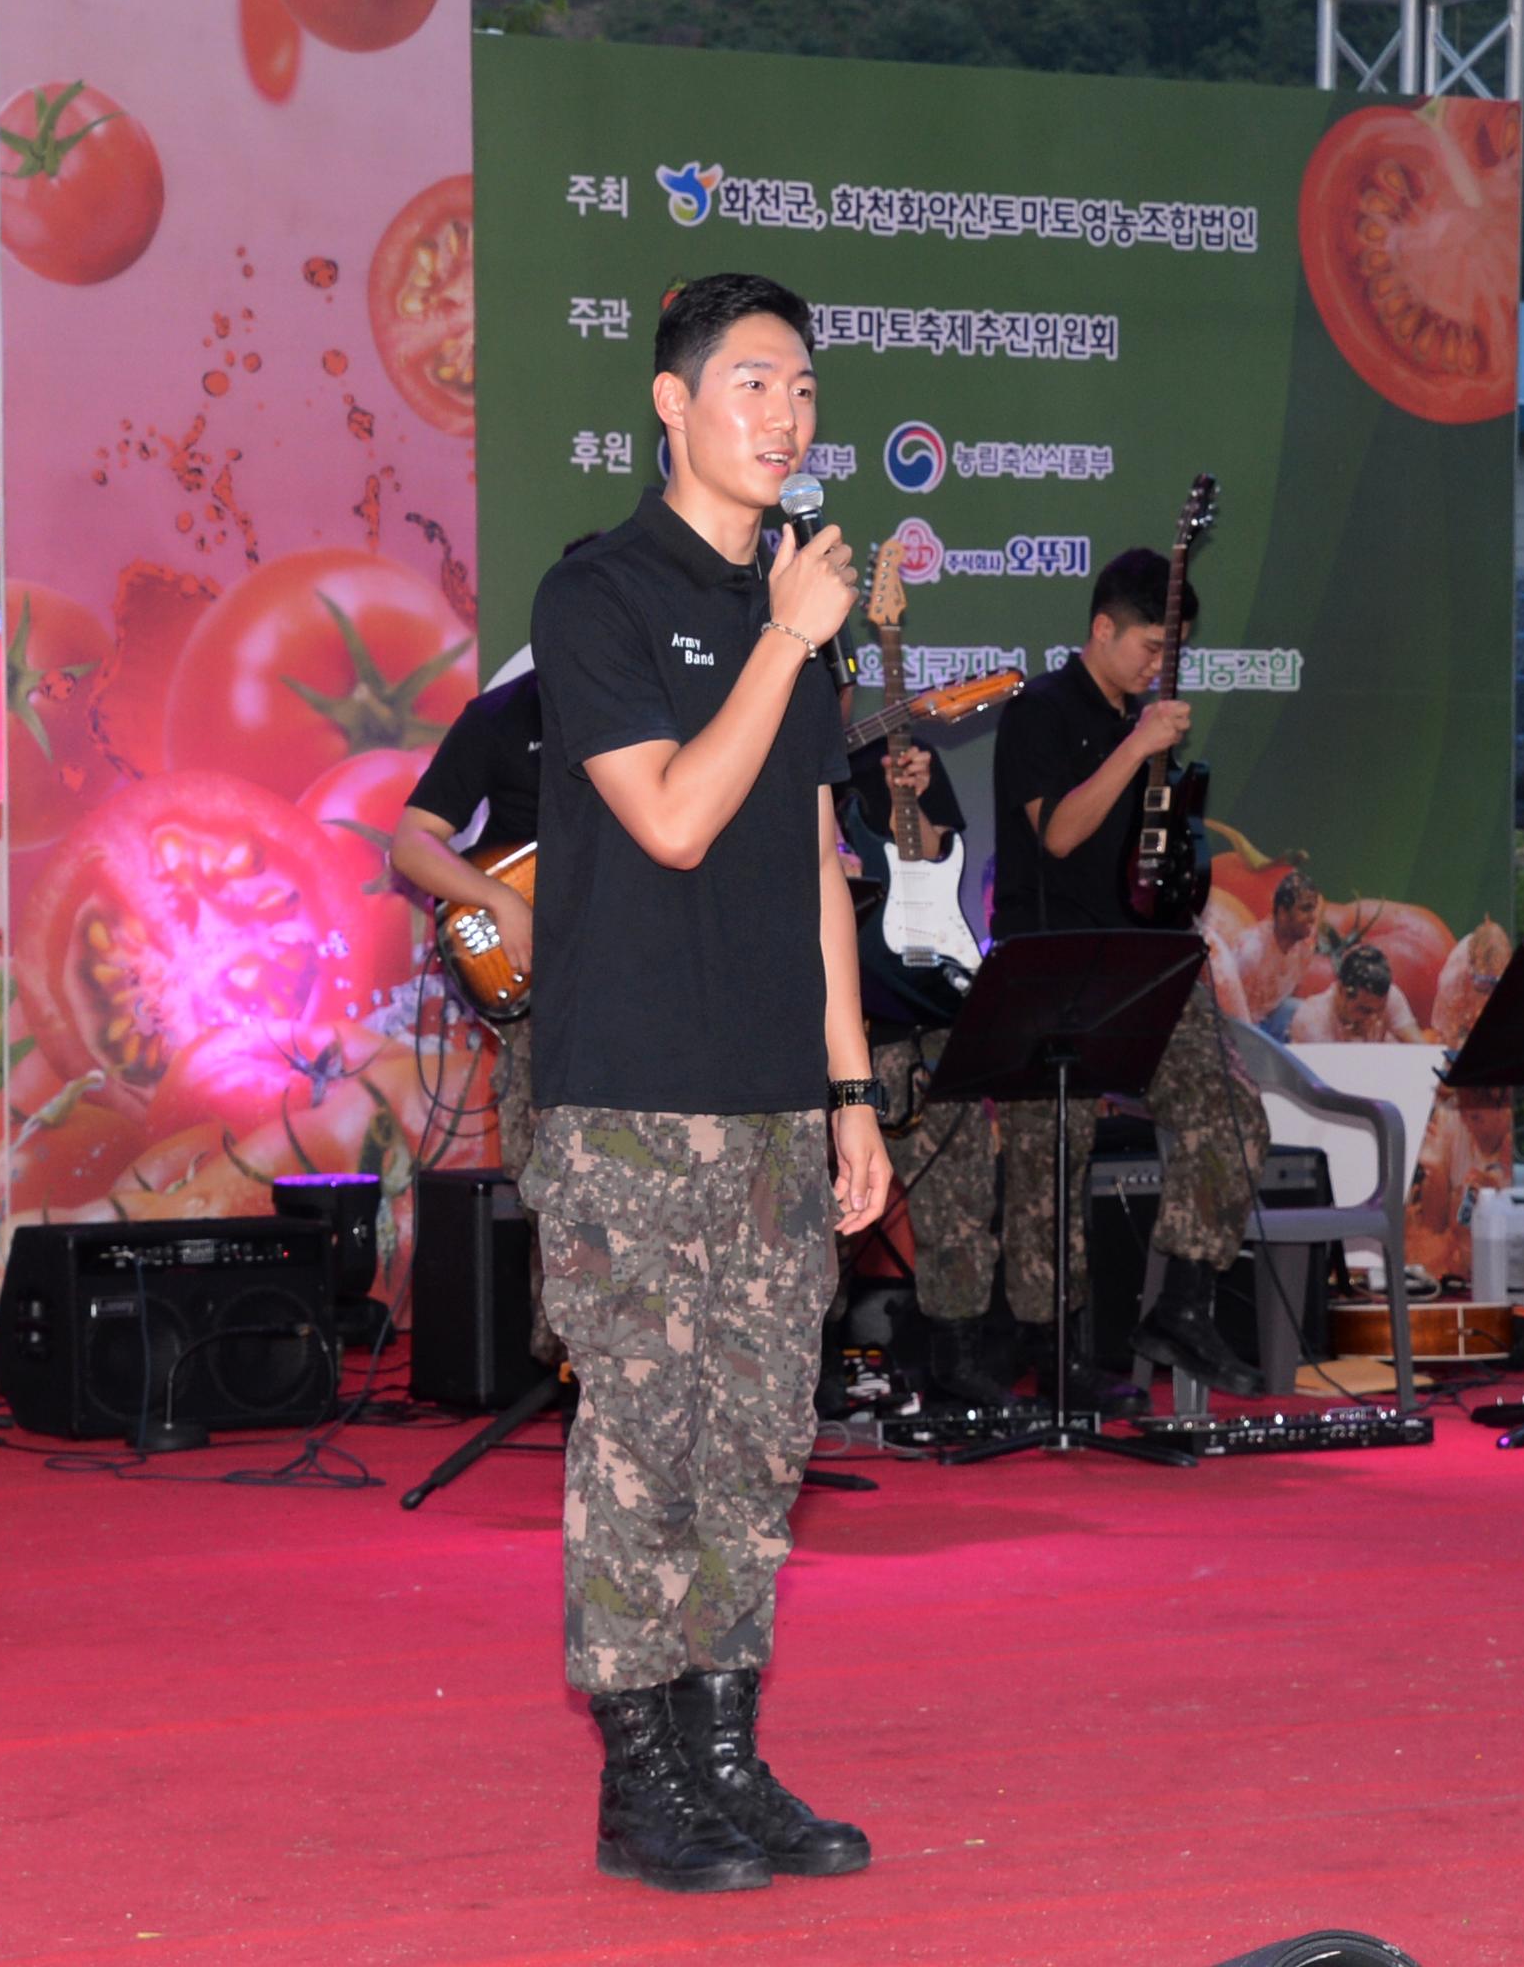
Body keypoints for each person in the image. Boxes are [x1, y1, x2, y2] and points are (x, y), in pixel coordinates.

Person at [523, 270, 887, 1895]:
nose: (785, 417)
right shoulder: (599, 592)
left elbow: (810, 849)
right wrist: (787, 638)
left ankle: (728, 1755)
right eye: (753, 384)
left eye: (803, 388)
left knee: (754, 1441)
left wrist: (850, 1086)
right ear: (671, 405)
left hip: (765, 1099)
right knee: (645, 1434)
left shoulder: (784, 607)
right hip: (630, 1095)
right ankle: (641, 1778)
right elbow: (671, 814)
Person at [990, 549, 1266, 1397]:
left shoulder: (1142, 729)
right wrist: (1139, 744)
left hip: (1143, 956)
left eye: (1168, 651)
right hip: (1055, 961)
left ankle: (1182, 1302)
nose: (1156, 666)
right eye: (1148, 647)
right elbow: (1061, 834)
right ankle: (1055, 1352)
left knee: (1234, 1115)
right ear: (1101, 628)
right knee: (1049, 1161)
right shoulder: (1041, 711)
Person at [836, 700, 1009, 1408]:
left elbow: (940, 858)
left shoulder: (894, 758)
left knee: (962, 1205)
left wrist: (917, 798)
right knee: (822, 1216)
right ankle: (811, 1365)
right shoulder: (763, 749)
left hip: (932, 1032)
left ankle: (955, 1361)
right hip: (843, 1035)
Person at [388, 666, 550, 1350]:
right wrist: (500, 899)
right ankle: (565, 1361)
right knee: (551, 1181)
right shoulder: (502, 716)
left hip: (649, 977)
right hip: (545, 997)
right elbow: (412, 843)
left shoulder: (659, 701)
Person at [1212, 866, 1322, 1036]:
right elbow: (1228, 1011)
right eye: (1305, 909)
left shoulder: (1305, 946)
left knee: (1304, 1013)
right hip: (1237, 1027)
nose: (1313, 917)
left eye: (1313, 909)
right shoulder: (1252, 952)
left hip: (1269, 1021)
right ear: (1283, 913)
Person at [1287, 940, 1433, 1046]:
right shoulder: (1312, 1021)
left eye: (1380, 1010)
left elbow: (1419, 1047)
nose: (1374, 1019)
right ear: (1341, 991)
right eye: (1364, 1010)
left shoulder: (1391, 996)